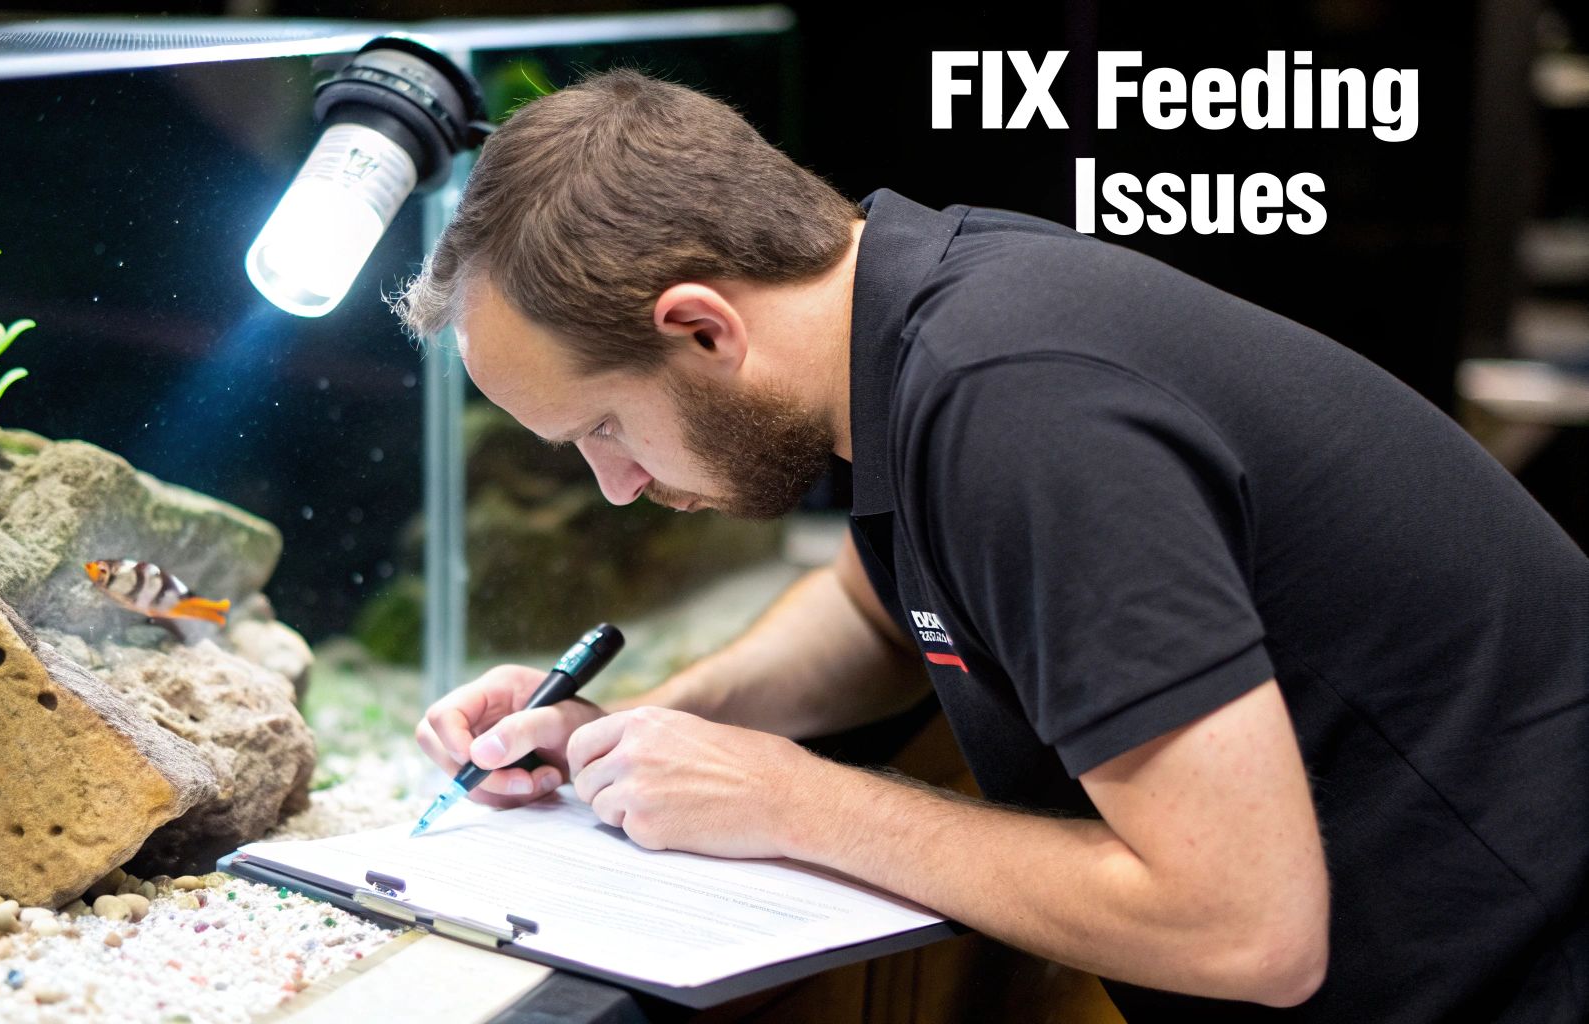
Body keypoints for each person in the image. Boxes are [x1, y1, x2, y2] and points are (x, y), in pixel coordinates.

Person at [397, 68, 1588, 1021]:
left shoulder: (1012, 405)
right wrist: (638, 729)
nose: (613, 488)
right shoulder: (915, 318)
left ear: (700, 327)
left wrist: (800, 801)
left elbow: (1245, 930)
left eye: (603, 426)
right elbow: (881, 609)